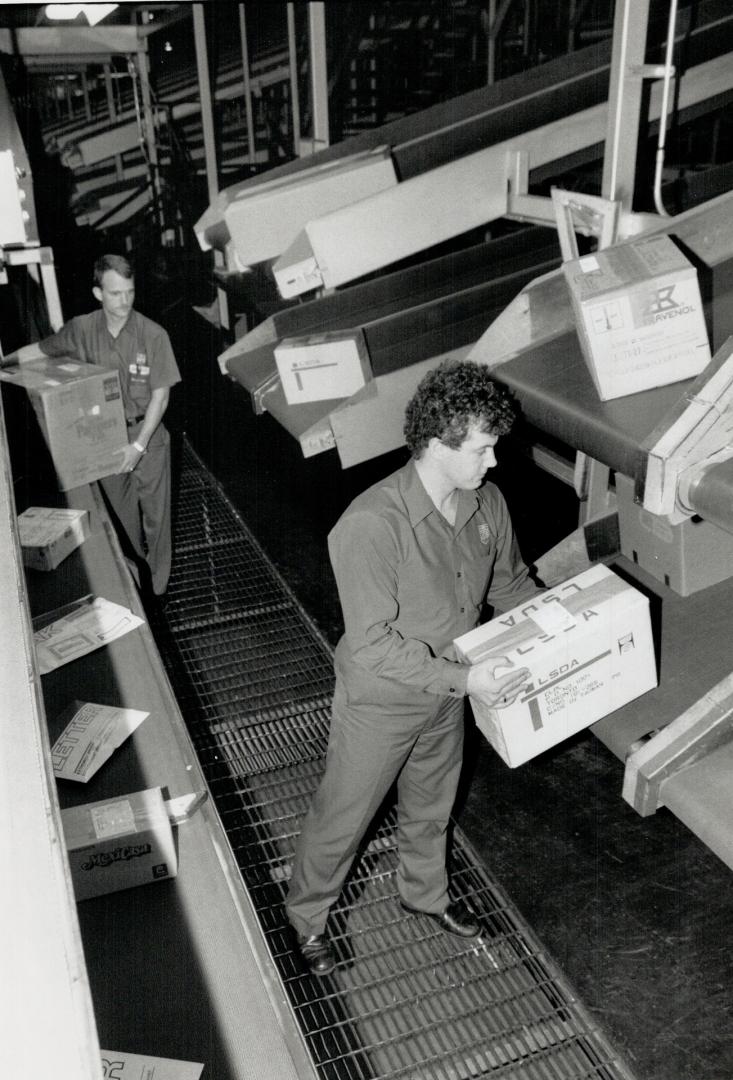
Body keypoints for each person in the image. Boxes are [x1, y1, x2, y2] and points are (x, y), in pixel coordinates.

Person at [286, 358, 544, 977]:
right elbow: (372, 643)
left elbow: (510, 585)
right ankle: (306, 918)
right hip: (383, 697)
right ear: (436, 443)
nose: (493, 462)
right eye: (483, 449)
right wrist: (467, 680)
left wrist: (559, 633)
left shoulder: (487, 504)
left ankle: (424, 895)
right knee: (345, 814)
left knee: (432, 803)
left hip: (450, 688)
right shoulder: (372, 524)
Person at [4, 253, 181, 600]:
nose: (125, 301)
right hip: (106, 440)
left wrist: (139, 446)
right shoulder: (82, 329)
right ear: (98, 293)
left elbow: (161, 396)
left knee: (157, 521)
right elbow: (40, 351)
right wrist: (3, 363)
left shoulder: (153, 334)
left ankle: (159, 593)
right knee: (123, 523)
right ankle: (137, 588)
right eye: (116, 293)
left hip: (148, 438)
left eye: (129, 291)